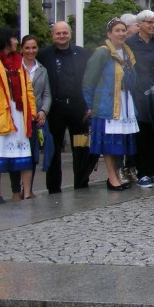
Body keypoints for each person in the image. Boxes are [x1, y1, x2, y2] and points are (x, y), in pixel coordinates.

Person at [82, 18, 139, 191]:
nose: (121, 33)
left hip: (124, 101)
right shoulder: (102, 53)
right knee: (109, 142)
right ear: (109, 34)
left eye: (123, 30)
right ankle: (112, 176)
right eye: (117, 30)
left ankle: (117, 173)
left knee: (119, 140)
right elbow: (89, 80)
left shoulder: (128, 53)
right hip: (107, 102)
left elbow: (133, 80)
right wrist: (90, 104)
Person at [0, 28, 36, 203]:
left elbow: (28, 88)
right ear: (5, 40)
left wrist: (32, 111)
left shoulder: (19, 62)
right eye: (13, 38)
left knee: (23, 152)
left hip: (19, 113)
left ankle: (26, 192)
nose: (16, 42)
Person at [38, 21, 92, 192]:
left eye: (65, 33)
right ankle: (53, 187)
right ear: (53, 35)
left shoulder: (82, 53)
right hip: (56, 109)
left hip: (79, 108)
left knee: (81, 146)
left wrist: (89, 105)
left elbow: (90, 79)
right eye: (58, 33)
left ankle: (82, 183)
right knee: (54, 148)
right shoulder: (44, 54)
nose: (61, 36)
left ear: (70, 34)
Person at [126, 10, 154, 188]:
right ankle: (142, 172)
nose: (153, 26)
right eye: (149, 23)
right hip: (138, 94)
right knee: (142, 133)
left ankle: (153, 172)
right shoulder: (130, 43)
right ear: (139, 25)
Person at [7, 35, 50, 200]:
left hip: (34, 117)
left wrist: (43, 111)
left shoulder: (42, 69)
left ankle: (28, 189)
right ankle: (15, 190)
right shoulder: (14, 68)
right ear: (21, 49)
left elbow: (47, 94)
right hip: (17, 116)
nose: (31, 51)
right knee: (15, 152)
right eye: (27, 48)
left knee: (32, 154)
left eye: (34, 48)